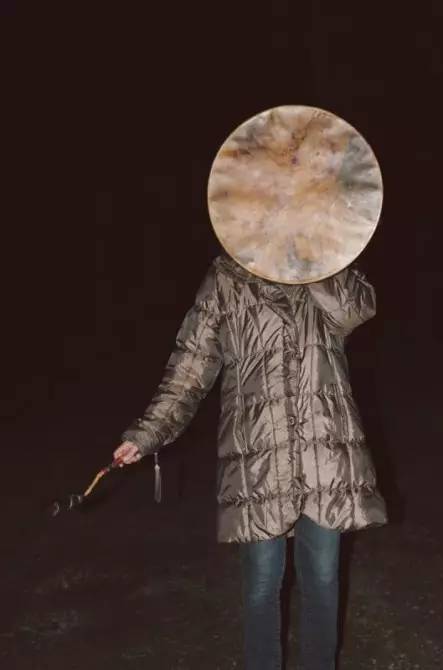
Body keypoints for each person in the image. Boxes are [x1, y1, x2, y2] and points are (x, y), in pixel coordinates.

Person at [114, 250, 387, 670]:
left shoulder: (326, 262)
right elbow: (190, 368)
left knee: (323, 579)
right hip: (257, 458)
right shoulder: (226, 277)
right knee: (261, 584)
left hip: (324, 454)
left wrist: (309, 264)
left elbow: (356, 310)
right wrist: (148, 432)